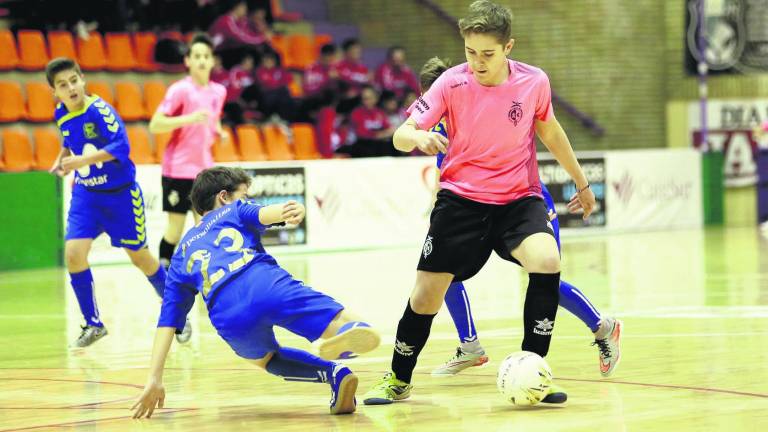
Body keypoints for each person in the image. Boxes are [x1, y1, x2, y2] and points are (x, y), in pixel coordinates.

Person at [362, 0, 597, 405]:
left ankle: (534, 370)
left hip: (517, 199)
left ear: (508, 47)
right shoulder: (451, 83)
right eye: (471, 52)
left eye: (487, 54)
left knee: (547, 260)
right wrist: (417, 137)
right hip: (461, 202)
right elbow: (402, 133)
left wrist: (581, 182)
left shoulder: (534, 81)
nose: (477, 62)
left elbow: (552, 132)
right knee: (425, 296)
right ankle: (398, 378)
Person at [415, 58, 622, 378]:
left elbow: (549, 132)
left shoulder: (484, 104)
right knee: (443, 272)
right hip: (476, 207)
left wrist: (582, 184)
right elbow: (448, 169)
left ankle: (602, 327)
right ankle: (470, 345)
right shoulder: (437, 121)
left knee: (542, 277)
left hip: (525, 203)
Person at [130, 167, 381, 418]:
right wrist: (293, 210)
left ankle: (333, 374)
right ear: (224, 196)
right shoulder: (234, 209)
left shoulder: (181, 254)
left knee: (265, 359)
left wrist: (154, 377)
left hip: (227, 316)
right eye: (245, 195)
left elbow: (167, 321)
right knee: (339, 319)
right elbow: (270, 213)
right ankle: (345, 332)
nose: (248, 200)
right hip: (264, 284)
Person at [45, 57, 168, 348]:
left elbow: (122, 147)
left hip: (121, 196)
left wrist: (83, 160)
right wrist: (61, 160)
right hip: (86, 196)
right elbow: (68, 139)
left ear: (82, 79)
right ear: (55, 92)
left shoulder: (100, 110)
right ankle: (93, 324)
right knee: (74, 253)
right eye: (63, 85)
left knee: (140, 258)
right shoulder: (60, 113)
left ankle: (177, 308)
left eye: (74, 80)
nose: (70, 88)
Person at [149, 33, 227, 346]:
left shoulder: (218, 91)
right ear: (187, 61)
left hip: (203, 172)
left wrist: (217, 129)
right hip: (177, 171)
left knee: (205, 229)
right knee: (175, 229)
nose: (201, 61)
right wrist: (187, 118)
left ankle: (206, 286)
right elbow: (156, 125)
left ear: (212, 60)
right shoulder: (180, 89)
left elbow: (213, 120)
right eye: (196, 56)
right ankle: (166, 283)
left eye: (206, 56)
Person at [339, 86, 397, 158]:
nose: (366, 102)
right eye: (364, 99)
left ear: (376, 99)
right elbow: (362, 134)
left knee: (390, 145)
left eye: (369, 98)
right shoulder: (357, 113)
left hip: (376, 144)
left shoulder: (379, 112)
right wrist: (382, 134)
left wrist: (382, 134)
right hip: (359, 145)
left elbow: (390, 129)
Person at [336, 38, 370, 114]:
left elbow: (368, 80)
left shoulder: (363, 68)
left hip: (360, 101)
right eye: (354, 50)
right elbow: (340, 77)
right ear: (346, 52)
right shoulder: (339, 66)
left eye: (358, 50)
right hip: (343, 101)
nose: (357, 52)